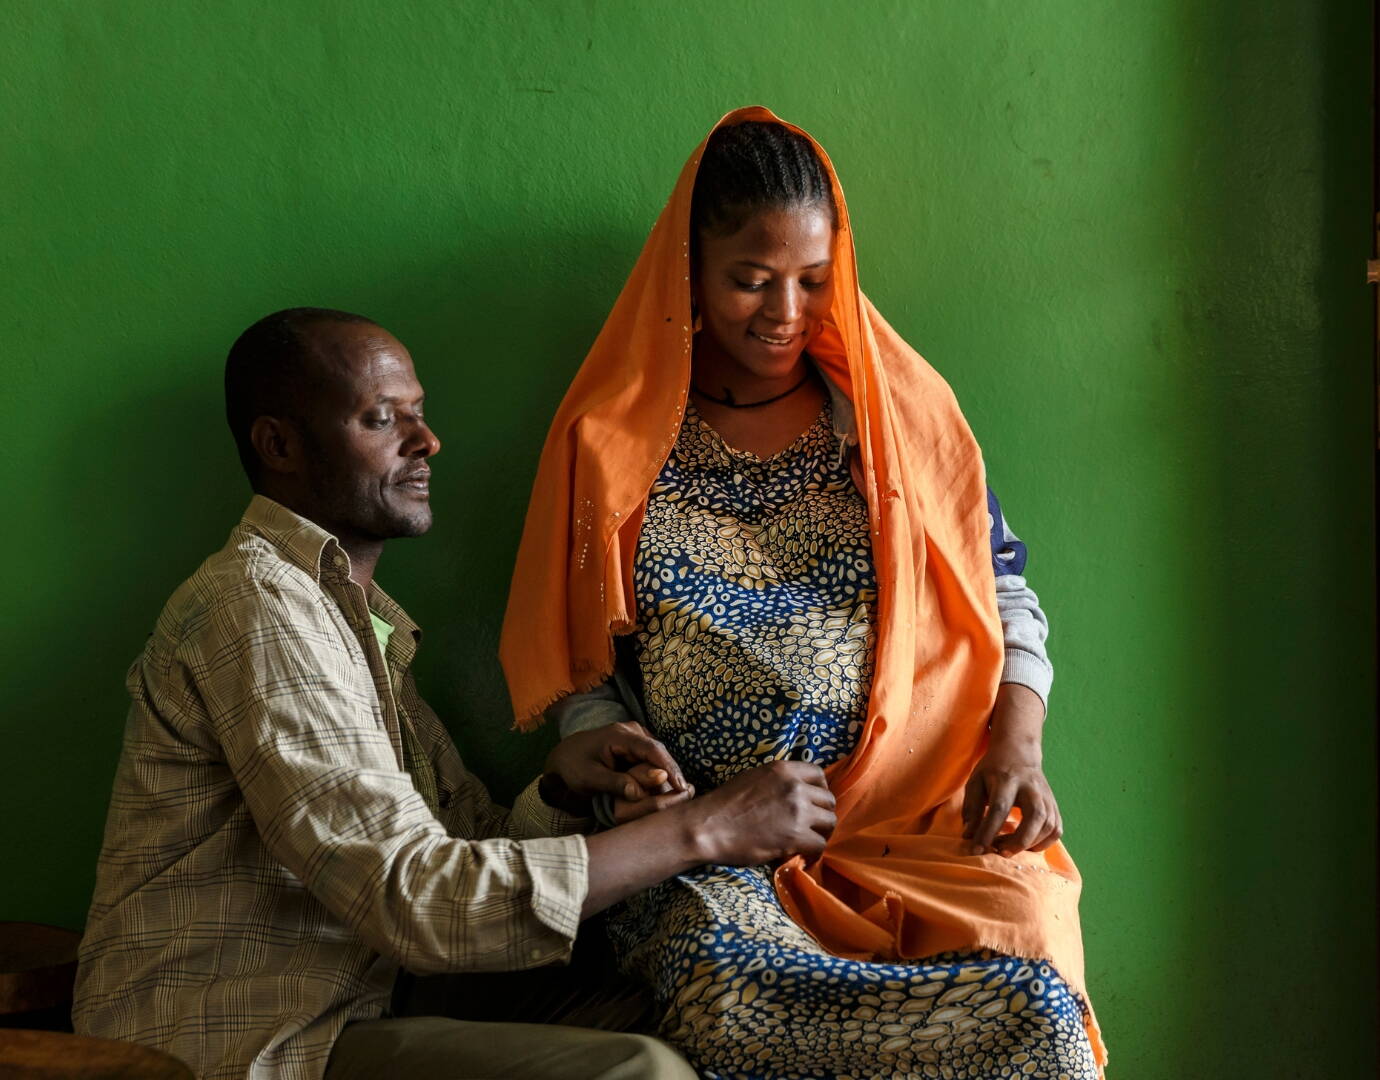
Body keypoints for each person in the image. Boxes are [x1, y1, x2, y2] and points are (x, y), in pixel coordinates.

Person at [72, 307, 838, 1080]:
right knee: (637, 1074)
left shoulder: (358, 624)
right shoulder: (256, 607)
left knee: (687, 1009)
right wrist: (704, 829)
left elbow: (462, 846)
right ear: (280, 445)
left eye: (420, 412)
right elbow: (416, 902)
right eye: (381, 418)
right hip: (248, 1047)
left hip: (374, 1006)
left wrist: (564, 787)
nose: (426, 440)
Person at [500, 109, 1107, 1078]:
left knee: (1028, 927)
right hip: (714, 850)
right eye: (750, 279)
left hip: (910, 833)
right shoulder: (610, 446)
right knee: (731, 988)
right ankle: (992, 1020)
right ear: (686, 274)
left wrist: (1017, 745)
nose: (785, 309)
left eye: (813, 280)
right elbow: (587, 675)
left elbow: (1003, 595)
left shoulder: (896, 422)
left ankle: (1010, 1012)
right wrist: (622, 755)